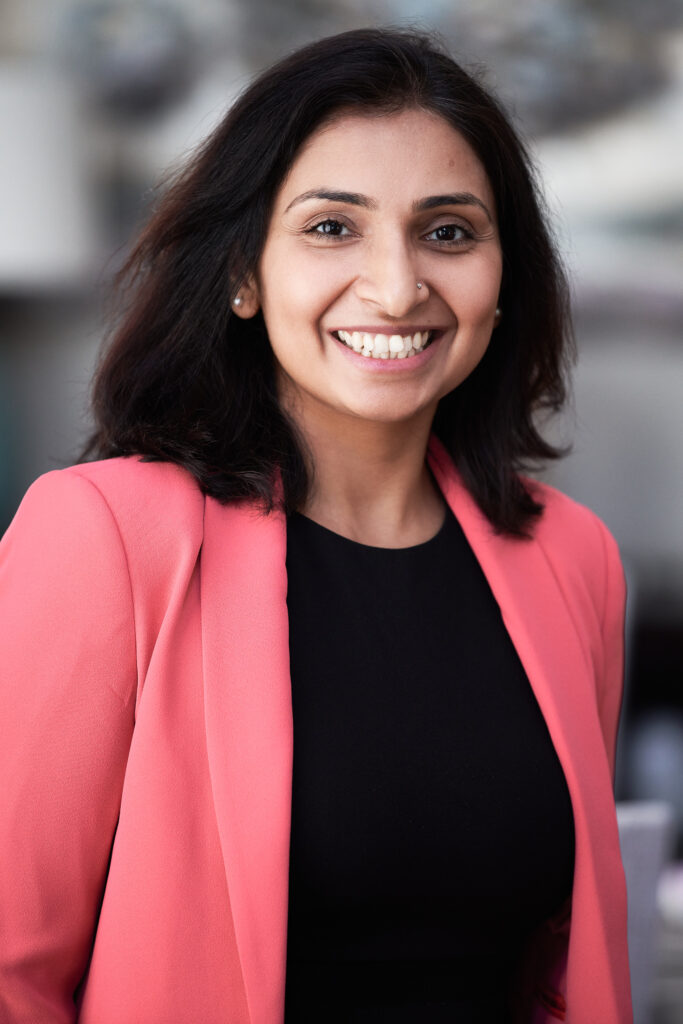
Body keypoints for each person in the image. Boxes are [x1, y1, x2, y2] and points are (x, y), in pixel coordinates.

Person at [0, 26, 631, 1024]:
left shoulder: (570, 555)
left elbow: (557, 969)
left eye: (449, 232)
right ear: (242, 275)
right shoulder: (102, 537)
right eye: (331, 228)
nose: (396, 286)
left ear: (502, 279)